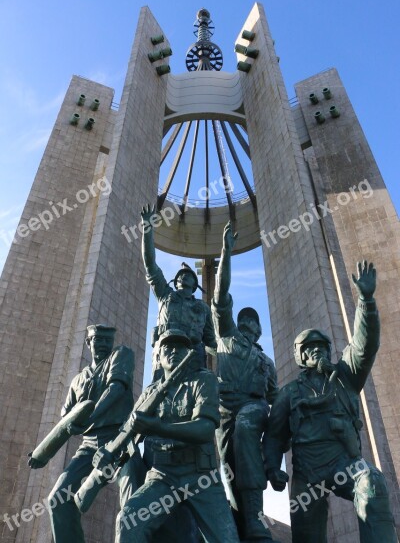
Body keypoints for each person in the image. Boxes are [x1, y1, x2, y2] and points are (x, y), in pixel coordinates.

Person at [264, 261, 397, 543]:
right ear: (301, 357)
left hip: (344, 461)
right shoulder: (289, 393)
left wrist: (367, 301)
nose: (316, 351)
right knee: (306, 533)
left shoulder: (346, 376)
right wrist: (272, 466)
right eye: (309, 349)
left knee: (371, 482)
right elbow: (275, 435)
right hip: (307, 470)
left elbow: (365, 345)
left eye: (321, 347)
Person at [114, 329, 240, 543]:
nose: (173, 351)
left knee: (227, 540)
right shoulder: (150, 392)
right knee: (128, 520)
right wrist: (113, 452)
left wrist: (157, 427)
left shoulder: (203, 380)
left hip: (201, 477)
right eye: (167, 347)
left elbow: (205, 429)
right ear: (158, 356)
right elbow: (127, 434)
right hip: (163, 475)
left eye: (179, 347)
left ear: (188, 353)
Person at [30, 324, 144, 543]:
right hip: (89, 445)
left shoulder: (121, 355)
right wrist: (41, 453)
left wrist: (90, 418)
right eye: (96, 340)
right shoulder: (77, 380)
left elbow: (116, 388)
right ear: (88, 343)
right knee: (58, 499)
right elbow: (65, 420)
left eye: (106, 341)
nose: (102, 345)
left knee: (133, 503)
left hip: (120, 440)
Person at [212, 222, 280, 542]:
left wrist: (277, 452)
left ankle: (254, 514)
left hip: (253, 408)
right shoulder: (226, 335)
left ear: (258, 331)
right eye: (245, 323)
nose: (248, 328)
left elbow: (277, 400)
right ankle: (242, 520)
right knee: (228, 467)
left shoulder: (266, 362)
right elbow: (220, 294)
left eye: (253, 326)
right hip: (225, 409)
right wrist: (226, 252)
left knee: (246, 425)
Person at [141, 204, 217, 378]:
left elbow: (211, 341)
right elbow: (150, 264)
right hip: (165, 351)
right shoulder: (165, 295)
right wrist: (147, 228)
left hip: (194, 355)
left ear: (194, 283)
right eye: (181, 275)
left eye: (188, 275)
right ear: (175, 282)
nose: (183, 276)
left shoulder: (202, 307)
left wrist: (231, 352)